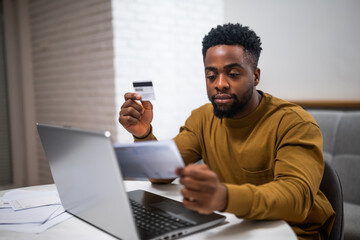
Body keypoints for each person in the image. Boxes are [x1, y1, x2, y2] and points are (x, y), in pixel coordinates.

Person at [118, 23, 335, 240]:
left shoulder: (294, 123)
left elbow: (296, 200)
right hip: (235, 225)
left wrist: (224, 197)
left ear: (255, 76)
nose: (220, 84)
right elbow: (162, 174)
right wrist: (142, 133)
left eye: (232, 74)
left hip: (293, 232)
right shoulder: (202, 118)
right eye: (211, 76)